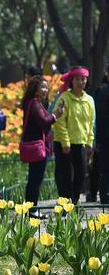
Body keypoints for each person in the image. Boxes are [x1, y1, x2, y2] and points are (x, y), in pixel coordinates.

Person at [53, 66, 95, 204]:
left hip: (81, 143)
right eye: (77, 79)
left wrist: (89, 142)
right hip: (64, 144)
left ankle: (74, 201)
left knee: (81, 175)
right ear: (72, 81)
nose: (80, 82)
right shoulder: (64, 98)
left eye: (83, 79)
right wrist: (65, 143)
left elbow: (91, 122)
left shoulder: (89, 100)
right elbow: (59, 122)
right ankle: (65, 203)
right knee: (65, 175)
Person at [21, 76, 62, 205]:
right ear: (35, 89)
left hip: (36, 145)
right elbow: (44, 122)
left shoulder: (34, 103)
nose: (45, 90)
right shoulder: (34, 104)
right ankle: (32, 209)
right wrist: (56, 116)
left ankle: (31, 207)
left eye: (46, 87)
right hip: (37, 146)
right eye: (42, 87)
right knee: (35, 179)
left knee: (35, 178)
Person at [93, 63, 109, 204]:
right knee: (105, 169)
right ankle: (104, 197)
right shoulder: (103, 92)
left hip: (104, 137)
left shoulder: (102, 91)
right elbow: (99, 118)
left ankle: (105, 197)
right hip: (105, 138)